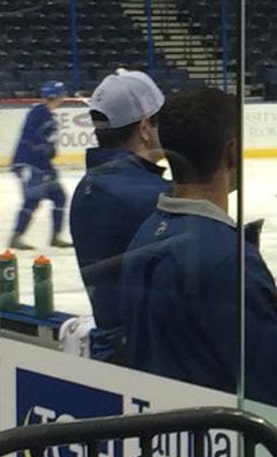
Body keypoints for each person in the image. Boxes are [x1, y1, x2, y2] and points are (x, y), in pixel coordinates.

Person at [120, 87, 277, 415]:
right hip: (220, 450)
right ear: (232, 153)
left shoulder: (145, 234)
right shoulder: (228, 259)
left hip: (166, 443)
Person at [70, 70, 170, 363]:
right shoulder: (151, 196)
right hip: (149, 358)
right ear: (144, 128)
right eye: (160, 119)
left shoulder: (90, 186)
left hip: (114, 348)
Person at [9, 81, 71, 250]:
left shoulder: (48, 116)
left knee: (59, 197)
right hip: (28, 164)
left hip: (41, 165)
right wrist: (44, 149)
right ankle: (16, 236)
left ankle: (55, 236)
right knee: (32, 200)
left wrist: (49, 160)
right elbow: (30, 136)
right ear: (56, 97)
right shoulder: (39, 112)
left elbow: (47, 145)